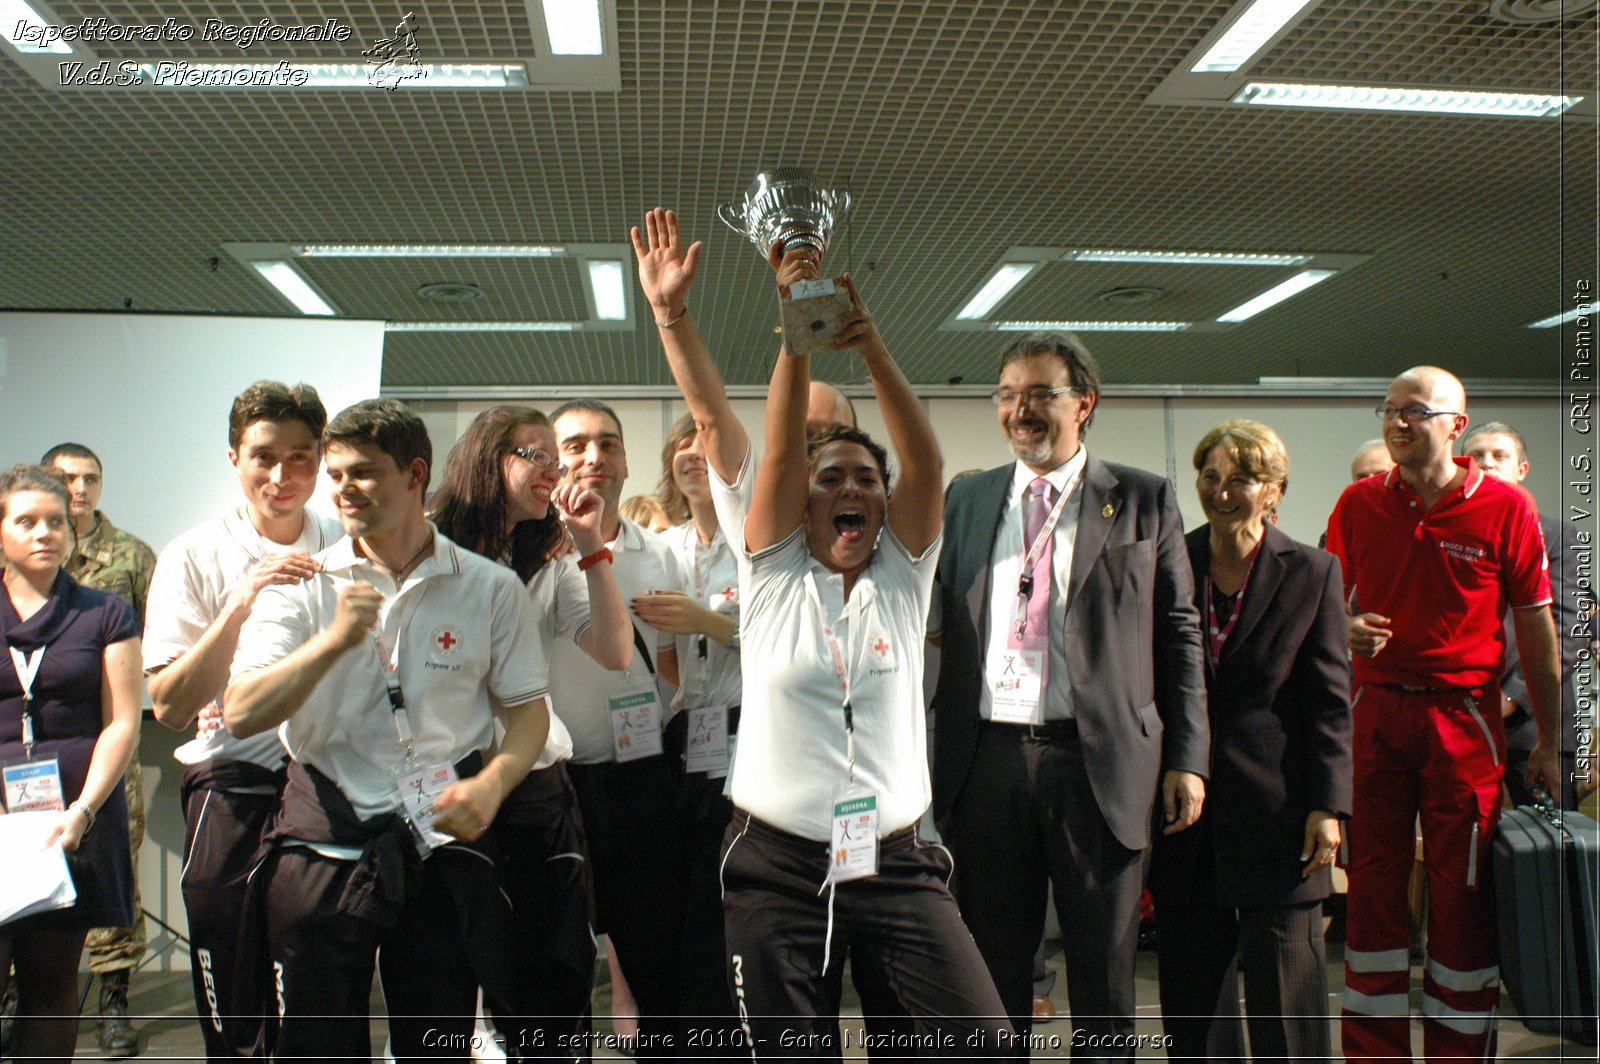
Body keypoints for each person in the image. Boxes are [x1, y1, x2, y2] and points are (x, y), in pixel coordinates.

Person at [703, 242, 1010, 1053]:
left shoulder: (902, 578)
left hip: (897, 862)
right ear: (801, 509)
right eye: (829, 478)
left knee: (980, 1036)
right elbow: (773, 453)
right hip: (776, 870)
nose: (850, 489)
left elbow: (926, 460)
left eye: (865, 481)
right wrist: (796, 328)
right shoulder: (769, 575)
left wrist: (870, 343)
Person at [633, 207, 923, 1055]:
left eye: (839, 441)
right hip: (780, 835)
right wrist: (671, 315)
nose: (821, 458)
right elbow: (709, 408)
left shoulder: (885, 541)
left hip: (889, 832)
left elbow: (922, 472)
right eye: (806, 441)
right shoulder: (758, 513)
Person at [223, 399, 553, 1058]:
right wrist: (333, 640)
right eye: (336, 472)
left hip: (441, 835)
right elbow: (241, 710)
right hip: (325, 839)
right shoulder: (301, 588)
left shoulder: (488, 588)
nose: (343, 488)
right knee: (318, 1046)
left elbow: (528, 717)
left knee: (437, 1040)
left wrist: (492, 786)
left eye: (364, 473)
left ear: (415, 476)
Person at [930, 330, 1209, 1058]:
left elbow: (1180, 634)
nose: (1021, 410)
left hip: (1100, 764)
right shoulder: (968, 498)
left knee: (1103, 972)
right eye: (1008, 395)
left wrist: (1189, 757)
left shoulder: (1143, 498)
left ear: (1084, 404)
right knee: (991, 972)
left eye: (1041, 394)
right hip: (985, 761)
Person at [1328, 367, 1562, 1063]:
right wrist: (1343, 628)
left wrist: (1551, 741)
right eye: (1389, 411)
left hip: (1466, 721)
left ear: (1456, 426)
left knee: (1462, 896)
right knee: (1371, 891)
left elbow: (1540, 631)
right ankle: (1374, 1054)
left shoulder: (1505, 509)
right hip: (1374, 715)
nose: (1397, 423)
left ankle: (1459, 1054)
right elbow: (1323, 606)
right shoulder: (1359, 504)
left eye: (1414, 412)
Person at [428, 403, 634, 1055]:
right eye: (536, 455)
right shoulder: (428, 545)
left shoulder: (551, 556)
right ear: (490, 462)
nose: (556, 468)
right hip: (450, 781)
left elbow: (614, 651)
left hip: (536, 783)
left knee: (555, 961)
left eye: (557, 456)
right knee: (455, 957)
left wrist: (590, 545)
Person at [142, 381, 338, 1061]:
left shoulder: (349, 544)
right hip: (231, 768)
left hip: (327, 767)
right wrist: (241, 601)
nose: (281, 478)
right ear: (233, 458)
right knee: (224, 931)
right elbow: (169, 705)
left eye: (300, 458)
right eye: (263, 458)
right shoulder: (192, 554)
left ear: (320, 459)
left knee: (315, 953)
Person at [1148, 419, 1351, 1062]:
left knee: (1286, 996)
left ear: (1275, 490)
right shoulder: (1170, 561)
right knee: (1193, 997)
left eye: (1241, 479)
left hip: (1280, 810)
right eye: (1210, 477)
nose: (1222, 491)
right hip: (1186, 810)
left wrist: (1328, 806)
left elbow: (1328, 702)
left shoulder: (1313, 571)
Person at [546, 397, 689, 1060]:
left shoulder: (660, 554)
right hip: (550, 785)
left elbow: (676, 668)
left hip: (640, 781)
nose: (593, 458)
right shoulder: (528, 554)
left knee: (657, 954)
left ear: (628, 461)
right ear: (550, 460)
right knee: (555, 963)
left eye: (608, 444)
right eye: (575, 445)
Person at [0, 464, 141, 1061]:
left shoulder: (104, 611)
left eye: (56, 522)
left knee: (52, 986)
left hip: (73, 821)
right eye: (26, 521)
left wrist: (83, 810)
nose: (44, 533)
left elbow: (123, 722)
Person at [40, 441, 156, 1058]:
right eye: (66, 479)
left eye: (89, 478)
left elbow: (162, 639)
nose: (79, 489)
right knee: (25, 869)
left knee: (112, 870)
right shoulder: (16, 557)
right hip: (31, 748)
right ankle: (18, 999)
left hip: (107, 741)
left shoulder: (132, 557)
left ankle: (114, 1002)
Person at [634, 413, 745, 1050]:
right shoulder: (662, 549)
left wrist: (708, 620)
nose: (694, 454)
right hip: (680, 736)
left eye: (707, 442)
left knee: (723, 888)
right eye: (683, 443)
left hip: (743, 729)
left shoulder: (758, 544)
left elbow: (790, 645)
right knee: (677, 892)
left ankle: (728, 1030)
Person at [1462, 420, 1597, 808]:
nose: (1486, 464)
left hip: (1536, 722)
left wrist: (1513, 696)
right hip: (1464, 718)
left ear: (1522, 469)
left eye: (1499, 456)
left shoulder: (1559, 537)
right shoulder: (1447, 535)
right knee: (1473, 851)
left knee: (1545, 855)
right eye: (1475, 456)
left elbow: (1569, 629)